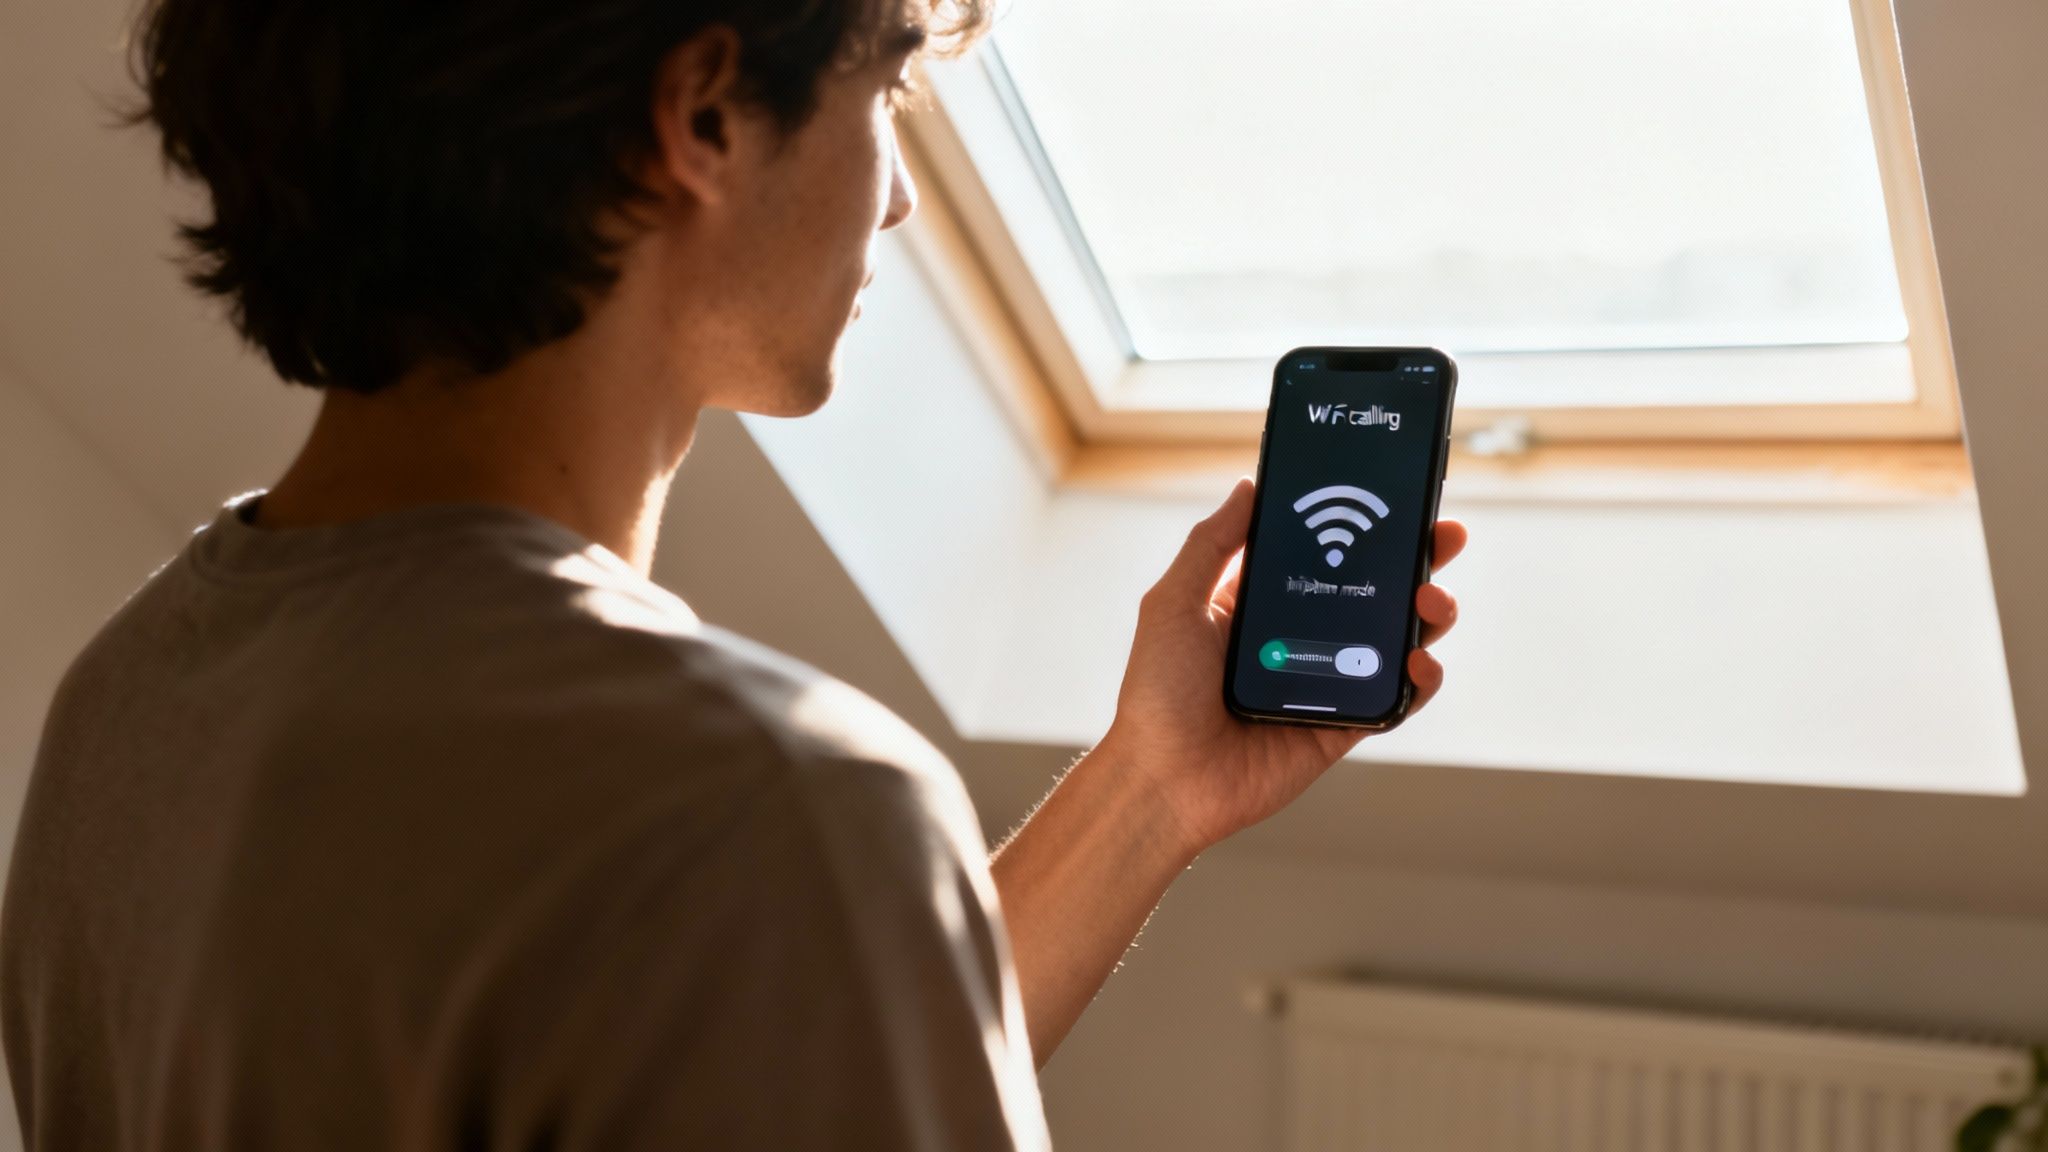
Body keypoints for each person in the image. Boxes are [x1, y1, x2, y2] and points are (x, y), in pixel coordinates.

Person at [0, 0, 1467, 1147]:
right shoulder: (765, 799)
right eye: (884, 95)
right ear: (703, 114)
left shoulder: (125, 704)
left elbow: (761, 1069)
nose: (896, 200)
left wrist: (1150, 789)